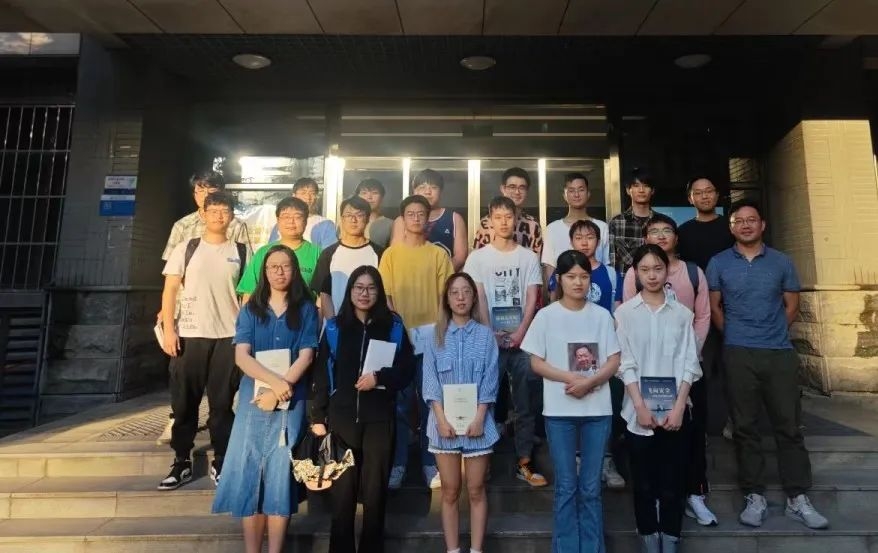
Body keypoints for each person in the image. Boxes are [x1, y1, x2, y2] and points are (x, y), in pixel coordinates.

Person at [707, 200, 829, 530]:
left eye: (751, 220)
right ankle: (754, 495)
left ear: (762, 224)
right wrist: (733, 334)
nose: (745, 225)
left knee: (788, 425)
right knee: (745, 427)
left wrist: (772, 332)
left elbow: (792, 306)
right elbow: (715, 307)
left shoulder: (781, 261)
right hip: (738, 352)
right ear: (731, 227)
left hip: (778, 352)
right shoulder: (718, 263)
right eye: (738, 221)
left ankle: (797, 496)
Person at [212, 245, 318, 553]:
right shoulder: (250, 310)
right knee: (250, 474)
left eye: (286, 266)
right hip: (253, 403)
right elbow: (242, 356)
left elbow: (307, 354)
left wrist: (282, 389)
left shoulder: (306, 309)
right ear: (264, 272)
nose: (279, 272)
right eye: (273, 266)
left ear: (295, 270)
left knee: (279, 476)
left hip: (290, 403)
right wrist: (275, 384)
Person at [310, 266, 415, 553]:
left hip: (380, 421)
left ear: (379, 292)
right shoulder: (335, 327)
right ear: (350, 291)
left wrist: (380, 378)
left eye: (371, 288)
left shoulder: (393, 326)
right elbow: (322, 373)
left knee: (375, 495)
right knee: (342, 498)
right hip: (342, 422)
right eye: (359, 287)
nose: (364, 293)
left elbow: (407, 369)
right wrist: (318, 416)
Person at [521, 249, 621, 553]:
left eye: (584, 276)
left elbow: (613, 360)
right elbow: (535, 362)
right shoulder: (546, 316)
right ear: (559, 279)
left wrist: (589, 382)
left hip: (597, 410)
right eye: (571, 276)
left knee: (590, 487)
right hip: (559, 411)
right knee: (566, 486)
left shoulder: (601, 316)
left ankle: (591, 547)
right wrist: (570, 378)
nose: (578, 282)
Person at [622, 213, 715, 524]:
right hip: (643, 385)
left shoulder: (691, 277)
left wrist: (690, 355)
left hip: (682, 379)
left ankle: (691, 498)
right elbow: (629, 333)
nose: (652, 275)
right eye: (654, 231)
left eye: (667, 230)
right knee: (648, 460)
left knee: (687, 442)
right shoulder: (630, 291)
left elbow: (702, 318)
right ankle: (653, 516)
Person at [158, 191, 251, 490]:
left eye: (225, 211)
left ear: (232, 216)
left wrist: (245, 334)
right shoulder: (187, 247)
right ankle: (181, 460)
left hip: (228, 336)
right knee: (184, 403)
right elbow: (170, 290)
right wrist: (169, 330)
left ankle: (221, 459)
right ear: (204, 214)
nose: (219, 216)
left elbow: (247, 296)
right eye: (214, 211)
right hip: (190, 334)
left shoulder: (241, 251)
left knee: (222, 405)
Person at [615, 244, 702, 553]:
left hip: (675, 412)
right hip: (637, 413)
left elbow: (690, 362)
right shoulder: (624, 314)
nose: (651, 275)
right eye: (645, 270)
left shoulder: (682, 314)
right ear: (635, 274)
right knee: (643, 483)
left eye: (657, 269)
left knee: (672, 482)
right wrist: (639, 406)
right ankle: (649, 538)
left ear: (667, 272)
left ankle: (671, 537)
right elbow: (624, 363)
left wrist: (679, 407)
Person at [463, 196, 546, 487]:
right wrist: (489, 332)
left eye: (508, 217)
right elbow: (479, 297)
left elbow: (533, 298)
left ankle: (524, 461)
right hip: (488, 340)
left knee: (525, 404)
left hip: (523, 341)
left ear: (516, 219)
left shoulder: (528, 257)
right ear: (489, 220)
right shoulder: (477, 258)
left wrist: (521, 332)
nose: (503, 222)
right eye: (497, 217)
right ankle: (481, 460)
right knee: (483, 400)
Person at [380, 194, 454, 489]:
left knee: (430, 403)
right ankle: (398, 464)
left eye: (421, 214)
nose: (416, 218)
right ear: (403, 219)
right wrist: (398, 329)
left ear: (428, 220)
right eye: (410, 214)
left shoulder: (438, 255)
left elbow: (446, 298)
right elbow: (386, 298)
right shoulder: (390, 255)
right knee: (398, 405)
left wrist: (440, 333)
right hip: (399, 342)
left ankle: (429, 462)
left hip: (431, 342)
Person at [423, 272, 500, 553]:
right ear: (446, 298)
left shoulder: (485, 336)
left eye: (466, 291)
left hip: (478, 423)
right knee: (450, 490)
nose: (460, 298)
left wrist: (480, 417)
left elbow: (490, 379)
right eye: (454, 292)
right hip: (442, 424)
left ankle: (476, 549)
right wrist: (440, 418)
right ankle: (453, 549)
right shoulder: (435, 335)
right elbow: (430, 380)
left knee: (476, 489)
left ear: (474, 297)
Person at [677, 176, 736, 442]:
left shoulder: (730, 227)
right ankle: (701, 423)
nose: (704, 196)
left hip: (730, 305)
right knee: (699, 364)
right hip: (696, 308)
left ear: (717, 194)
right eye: (698, 192)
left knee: (731, 365)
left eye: (709, 191)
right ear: (690, 198)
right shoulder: (684, 232)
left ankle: (733, 421)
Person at [568, 219, 626, 490]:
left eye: (590, 237)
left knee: (606, 406)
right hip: (574, 350)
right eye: (579, 237)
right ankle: (579, 458)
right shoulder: (565, 272)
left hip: (605, 350)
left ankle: (606, 460)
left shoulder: (611, 274)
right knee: (577, 404)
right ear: (571, 242)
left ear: (598, 241)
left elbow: (618, 312)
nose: (584, 242)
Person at [311, 196, 384, 321]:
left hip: (371, 325)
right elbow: (323, 295)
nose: (353, 220)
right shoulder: (328, 254)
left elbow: (384, 292)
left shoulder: (379, 253)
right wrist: (332, 325)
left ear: (367, 219)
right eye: (348, 215)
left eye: (359, 215)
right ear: (342, 219)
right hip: (337, 324)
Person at [237, 197, 321, 302]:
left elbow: (322, 297)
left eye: (297, 217)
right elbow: (248, 293)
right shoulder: (263, 253)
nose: (291, 222)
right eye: (286, 217)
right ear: (278, 220)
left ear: (305, 221)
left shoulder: (318, 253)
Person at [543, 173, 610, 301]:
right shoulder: (552, 229)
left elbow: (605, 264)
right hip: (563, 299)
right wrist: (552, 299)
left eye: (581, 190)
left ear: (588, 193)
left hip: (596, 296)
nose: (576, 194)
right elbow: (550, 267)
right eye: (571, 190)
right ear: (564, 195)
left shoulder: (602, 227)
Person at [390, 169, 468, 271]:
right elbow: (396, 254)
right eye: (422, 187)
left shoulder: (455, 218)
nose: (428, 192)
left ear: (441, 191)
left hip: (445, 276)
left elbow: (460, 256)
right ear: (414, 191)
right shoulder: (401, 220)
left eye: (433, 187)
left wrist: (440, 274)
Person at [472, 166, 543, 256]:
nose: (517, 192)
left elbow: (537, 259)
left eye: (522, 188)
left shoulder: (533, 225)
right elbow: (477, 256)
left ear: (527, 191)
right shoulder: (486, 223)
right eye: (512, 187)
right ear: (503, 189)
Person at [608, 168, 655, 276]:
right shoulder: (616, 223)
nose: (641, 190)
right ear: (628, 190)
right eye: (636, 185)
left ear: (652, 191)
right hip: (625, 283)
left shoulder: (662, 222)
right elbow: (612, 261)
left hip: (657, 282)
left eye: (646, 186)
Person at [268, 177, 338, 249]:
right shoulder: (282, 223)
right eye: (303, 193)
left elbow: (329, 253)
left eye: (312, 193)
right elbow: (270, 249)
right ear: (294, 195)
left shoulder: (325, 224)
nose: (308, 197)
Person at [356, 178, 394, 248]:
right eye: (364, 193)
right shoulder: (348, 223)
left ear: (382, 197)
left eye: (374, 193)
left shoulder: (391, 225)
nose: (369, 197)